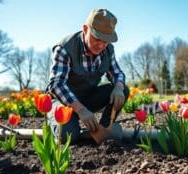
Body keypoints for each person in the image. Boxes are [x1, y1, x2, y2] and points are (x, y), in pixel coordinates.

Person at [46, 8, 129, 144]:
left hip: (87, 97)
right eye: (97, 38)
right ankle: (54, 121)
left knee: (123, 90)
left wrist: (119, 87)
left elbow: (117, 73)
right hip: (62, 102)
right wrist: (80, 110)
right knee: (68, 137)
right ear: (85, 29)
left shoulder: (107, 50)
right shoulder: (65, 47)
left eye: (106, 40)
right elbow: (56, 84)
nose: (101, 45)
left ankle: (102, 129)